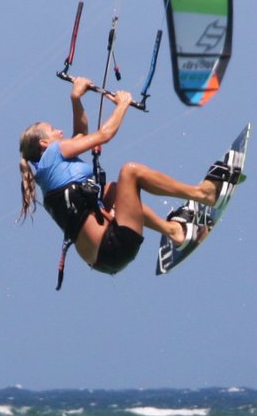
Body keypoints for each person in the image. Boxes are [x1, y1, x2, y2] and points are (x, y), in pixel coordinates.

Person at [18, 77, 238, 277]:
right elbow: (103, 135)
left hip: (103, 260)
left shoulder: (47, 175)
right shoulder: (55, 154)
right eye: (54, 130)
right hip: (112, 244)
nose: (60, 132)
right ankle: (205, 194)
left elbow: (81, 136)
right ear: (44, 143)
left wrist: (76, 98)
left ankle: (176, 232)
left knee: (112, 191)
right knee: (130, 172)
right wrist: (122, 104)